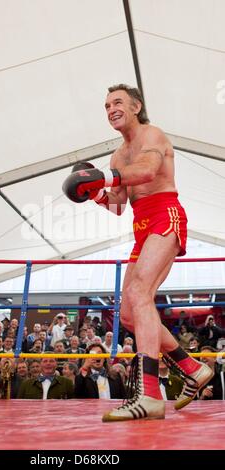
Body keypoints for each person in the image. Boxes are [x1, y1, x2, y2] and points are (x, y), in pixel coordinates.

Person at [62, 83, 213, 420]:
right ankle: (192, 368)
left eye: (117, 102)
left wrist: (100, 177)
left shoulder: (152, 135)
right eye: (105, 106)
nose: (110, 109)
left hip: (165, 214)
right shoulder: (117, 155)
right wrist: (93, 192)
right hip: (141, 227)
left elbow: (145, 171)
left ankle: (150, 394)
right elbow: (117, 204)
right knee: (129, 313)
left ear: (135, 106)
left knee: (139, 291)